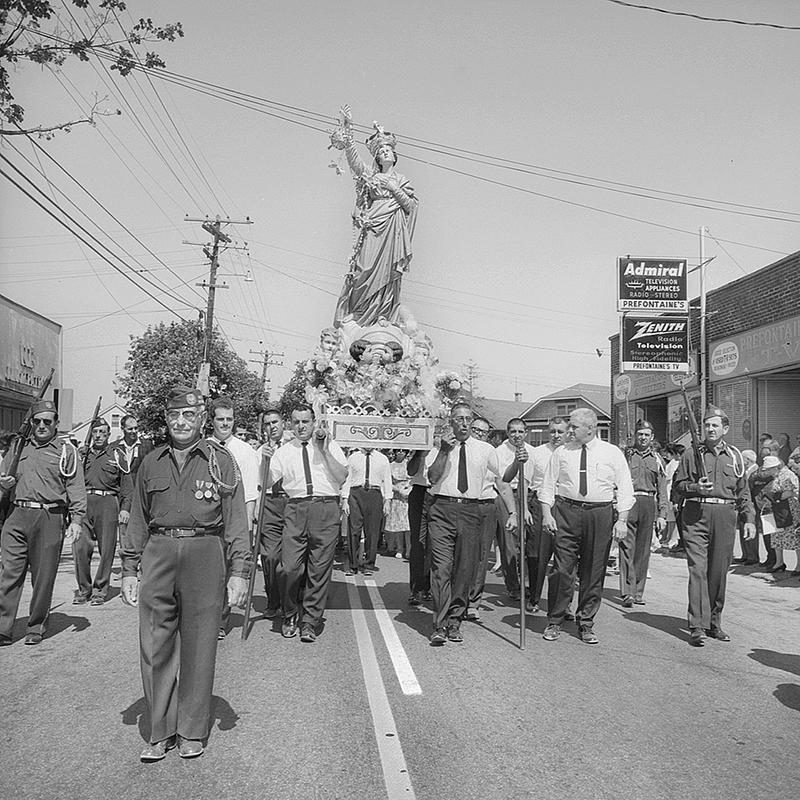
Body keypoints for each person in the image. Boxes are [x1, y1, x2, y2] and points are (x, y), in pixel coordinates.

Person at [120, 386, 250, 761]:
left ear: (201, 419)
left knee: (199, 644)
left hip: (205, 554)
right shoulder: (151, 462)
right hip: (159, 552)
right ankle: (160, 731)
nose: (181, 422)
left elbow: (236, 519)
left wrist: (239, 571)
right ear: (166, 419)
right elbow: (139, 519)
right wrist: (130, 568)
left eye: (189, 416)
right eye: (175, 416)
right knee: (154, 644)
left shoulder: (219, 461)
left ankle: (192, 730)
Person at [540, 408, 634, 645]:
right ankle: (555, 620)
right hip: (566, 512)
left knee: (594, 570)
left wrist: (622, 520)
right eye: (569, 426)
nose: (569, 431)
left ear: (590, 429)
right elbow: (548, 486)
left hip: (599, 514)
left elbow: (625, 488)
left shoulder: (611, 453)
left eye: (573, 427)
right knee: (562, 569)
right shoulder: (561, 452)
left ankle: (586, 623)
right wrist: (546, 515)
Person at [426, 402, 516, 645]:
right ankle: (439, 624)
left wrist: (519, 462)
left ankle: (454, 621)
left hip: (471, 510)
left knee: (464, 569)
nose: (464, 423)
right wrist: (444, 451)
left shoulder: (485, 449)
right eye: (459, 419)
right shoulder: (439, 448)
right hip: (442, 509)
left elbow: (504, 478)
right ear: (451, 422)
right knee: (441, 568)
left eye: (468, 419)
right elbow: (432, 478)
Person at [0, 400, 85, 646]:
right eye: (37, 421)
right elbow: (5, 480)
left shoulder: (66, 451)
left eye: (47, 421)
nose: (41, 425)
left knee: (43, 576)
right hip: (17, 516)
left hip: (49, 517)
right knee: (9, 574)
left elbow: (76, 487)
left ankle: (35, 626)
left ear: (56, 423)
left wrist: (77, 520)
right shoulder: (18, 447)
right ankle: (4, 628)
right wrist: (4, 484)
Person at [673, 407, 755, 646]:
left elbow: (743, 492)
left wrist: (748, 519)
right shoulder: (691, 454)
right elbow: (677, 486)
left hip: (725, 516)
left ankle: (714, 623)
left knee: (718, 571)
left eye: (715, 425)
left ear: (725, 429)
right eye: (707, 425)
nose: (710, 429)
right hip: (696, 515)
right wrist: (695, 487)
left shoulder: (735, 456)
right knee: (698, 570)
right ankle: (697, 625)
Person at [332, 104, 419, 328]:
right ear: (378, 158)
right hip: (373, 225)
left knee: (389, 272)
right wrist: (348, 132)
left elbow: (410, 206)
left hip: (393, 228)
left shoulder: (401, 180)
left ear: (394, 154)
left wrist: (393, 187)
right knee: (363, 269)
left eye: (388, 150)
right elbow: (355, 163)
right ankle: (360, 313)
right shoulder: (371, 175)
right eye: (381, 152)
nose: (385, 153)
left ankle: (382, 313)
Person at [268, 405, 348, 642]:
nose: (301, 426)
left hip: (326, 508)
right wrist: (264, 458)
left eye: (306, 422)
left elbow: (341, 477)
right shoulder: (283, 452)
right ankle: (290, 611)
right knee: (289, 567)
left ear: (314, 423)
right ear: (290, 425)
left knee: (319, 569)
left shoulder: (330, 446)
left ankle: (310, 621)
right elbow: (267, 480)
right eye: (296, 422)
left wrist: (323, 451)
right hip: (296, 508)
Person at [207, 398, 261, 638]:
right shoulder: (203, 446)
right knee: (210, 572)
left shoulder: (245, 451)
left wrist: (247, 525)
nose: (225, 423)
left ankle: (221, 619)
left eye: (229, 419)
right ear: (212, 421)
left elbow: (250, 492)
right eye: (220, 419)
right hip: (208, 520)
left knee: (231, 569)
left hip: (235, 518)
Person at [73, 417, 133, 605]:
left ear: (108, 435)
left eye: (102, 432)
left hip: (107, 502)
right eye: (95, 432)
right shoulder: (81, 455)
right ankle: (84, 589)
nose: (98, 436)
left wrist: (125, 509)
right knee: (80, 548)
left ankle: (100, 590)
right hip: (84, 503)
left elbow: (127, 486)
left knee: (107, 549)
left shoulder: (117, 454)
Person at [619, 420, 667, 607]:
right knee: (626, 547)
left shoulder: (657, 459)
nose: (643, 438)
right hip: (629, 501)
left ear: (652, 437)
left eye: (647, 435)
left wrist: (662, 514)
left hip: (648, 502)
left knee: (643, 550)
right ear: (635, 435)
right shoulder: (626, 456)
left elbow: (662, 489)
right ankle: (627, 592)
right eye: (640, 434)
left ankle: (638, 592)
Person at [492, 418, 537, 613]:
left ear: (525, 433)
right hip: (505, 495)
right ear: (507, 433)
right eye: (513, 432)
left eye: (520, 431)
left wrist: (525, 506)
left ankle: (526, 582)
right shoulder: (499, 452)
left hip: (527, 495)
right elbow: (502, 481)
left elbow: (530, 479)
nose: (517, 435)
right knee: (509, 542)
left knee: (527, 542)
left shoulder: (532, 451)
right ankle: (512, 585)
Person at [527, 417, 569, 612]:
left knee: (565, 556)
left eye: (560, 431)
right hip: (539, 505)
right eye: (552, 431)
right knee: (537, 555)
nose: (556, 435)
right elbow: (526, 483)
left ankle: (564, 604)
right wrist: (526, 510)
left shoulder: (572, 453)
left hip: (564, 506)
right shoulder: (536, 453)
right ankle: (534, 598)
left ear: (568, 432)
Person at [255, 408, 293, 618]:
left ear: (283, 423)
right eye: (268, 424)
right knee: (269, 556)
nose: (272, 427)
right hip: (269, 503)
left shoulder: (293, 448)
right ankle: (273, 600)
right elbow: (258, 482)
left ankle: (290, 601)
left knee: (290, 560)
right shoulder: (260, 451)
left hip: (291, 503)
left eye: (275, 422)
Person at [466, 416, 503, 622]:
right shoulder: (458, 448)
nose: (479, 434)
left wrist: (513, 513)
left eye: (484, 431)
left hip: (486, 505)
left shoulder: (491, 452)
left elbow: (502, 481)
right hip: (463, 506)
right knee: (462, 554)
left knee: (481, 556)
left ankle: (473, 602)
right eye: (476, 429)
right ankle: (457, 598)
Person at [341, 446, 392, 576]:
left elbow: (387, 479)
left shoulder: (382, 459)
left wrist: (387, 499)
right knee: (354, 530)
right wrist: (345, 499)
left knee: (373, 531)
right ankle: (353, 565)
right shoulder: (353, 458)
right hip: (356, 493)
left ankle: (369, 564)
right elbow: (348, 478)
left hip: (374, 494)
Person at [759, 455, 800, 575]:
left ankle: (798, 566)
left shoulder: (788, 475)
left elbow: (791, 492)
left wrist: (776, 496)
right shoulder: (777, 476)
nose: (768, 472)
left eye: (769, 469)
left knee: (794, 537)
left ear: (776, 467)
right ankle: (779, 562)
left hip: (790, 509)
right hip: (778, 509)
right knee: (776, 536)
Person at [405, 446, 433, 607]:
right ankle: (416, 588)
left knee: (436, 545)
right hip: (420, 493)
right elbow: (410, 471)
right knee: (418, 544)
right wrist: (420, 454)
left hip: (441, 494)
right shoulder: (421, 444)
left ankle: (430, 586)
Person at [734, 449, 760, 565]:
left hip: (751, 505)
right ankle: (745, 554)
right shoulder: (745, 471)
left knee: (750, 529)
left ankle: (752, 556)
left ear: (748, 460)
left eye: (742, 458)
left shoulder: (756, 471)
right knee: (742, 529)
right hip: (742, 505)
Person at [385, 450, 412, 560]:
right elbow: (386, 482)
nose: (400, 452)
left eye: (403, 451)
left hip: (408, 497)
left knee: (408, 526)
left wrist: (408, 489)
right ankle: (399, 548)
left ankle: (409, 549)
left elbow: (413, 479)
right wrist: (397, 489)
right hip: (396, 497)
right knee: (398, 526)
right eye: (398, 451)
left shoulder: (409, 464)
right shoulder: (390, 466)